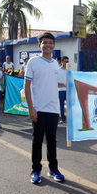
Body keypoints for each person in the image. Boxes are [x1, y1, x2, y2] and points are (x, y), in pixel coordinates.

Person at [24, 32, 65, 184]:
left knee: (52, 140)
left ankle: (53, 169)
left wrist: (70, 84)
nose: (48, 45)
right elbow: (27, 85)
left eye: (50, 42)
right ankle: (35, 170)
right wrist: (31, 108)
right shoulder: (33, 62)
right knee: (37, 140)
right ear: (39, 45)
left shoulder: (55, 64)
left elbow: (53, 83)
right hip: (38, 108)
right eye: (45, 42)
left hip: (53, 109)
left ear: (54, 45)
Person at [58, 56, 69, 124]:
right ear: (62, 62)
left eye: (67, 61)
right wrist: (63, 84)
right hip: (61, 90)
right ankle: (63, 118)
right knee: (61, 105)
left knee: (69, 105)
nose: (66, 63)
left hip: (68, 90)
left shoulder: (69, 70)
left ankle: (69, 118)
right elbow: (55, 81)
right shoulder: (58, 70)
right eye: (65, 61)